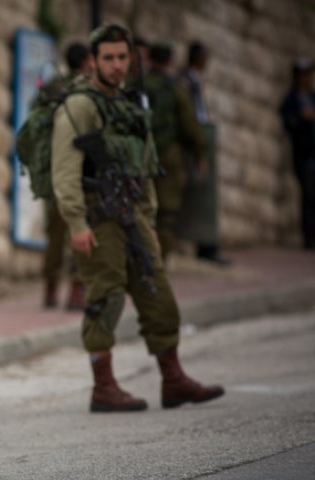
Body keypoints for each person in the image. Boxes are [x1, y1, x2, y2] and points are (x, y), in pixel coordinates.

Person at [51, 24, 224, 412]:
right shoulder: (79, 106)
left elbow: (144, 169)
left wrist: (149, 220)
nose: (116, 65)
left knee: (158, 294)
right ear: (95, 60)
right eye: (108, 58)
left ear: (131, 60)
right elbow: (64, 170)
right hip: (98, 218)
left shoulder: (131, 105)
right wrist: (77, 224)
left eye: (122, 58)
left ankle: (174, 379)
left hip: (134, 216)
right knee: (105, 298)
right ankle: (104, 387)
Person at [33, 42, 94, 309]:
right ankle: (76, 292)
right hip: (79, 170)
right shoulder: (87, 90)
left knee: (55, 233)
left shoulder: (51, 87)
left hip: (51, 169)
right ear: (85, 62)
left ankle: (50, 289)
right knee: (79, 227)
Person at [143, 43, 207, 261]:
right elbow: (190, 126)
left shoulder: (137, 85)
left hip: (140, 155)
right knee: (167, 214)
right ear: (169, 62)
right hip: (169, 156)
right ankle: (160, 263)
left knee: (142, 212)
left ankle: (144, 263)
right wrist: (200, 156)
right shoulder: (175, 89)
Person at [177, 42, 230, 265]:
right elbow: (189, 116)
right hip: (191, 142)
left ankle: (206, 245)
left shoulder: (194, 79)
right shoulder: (185, 81)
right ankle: (202, 245)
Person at [279, 59, 315, 250]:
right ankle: (309, 239)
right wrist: (303, 117)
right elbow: (287, 122)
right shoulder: (292, 100)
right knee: (308, 196)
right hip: (303, 154)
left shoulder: (312, 97)